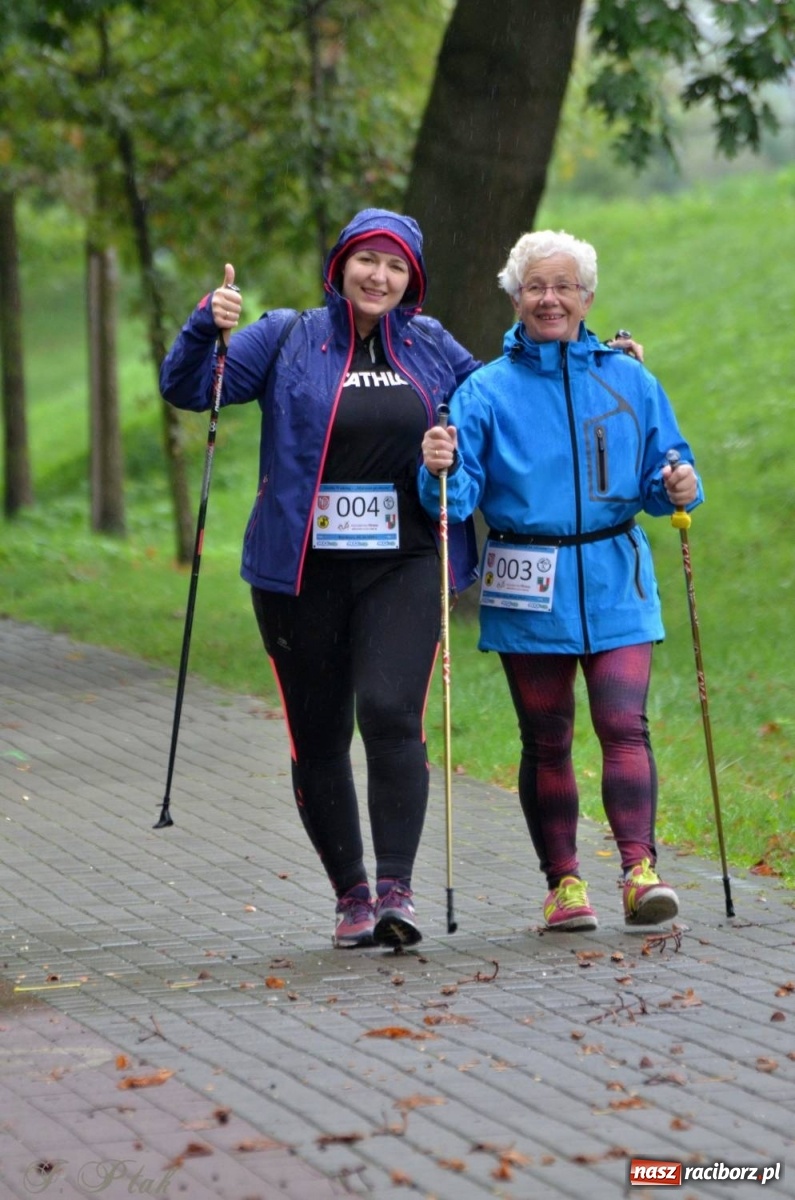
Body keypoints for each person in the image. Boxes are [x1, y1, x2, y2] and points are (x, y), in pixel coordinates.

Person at [160, 208, 483, 950]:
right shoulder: (285, 335)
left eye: (396, 265)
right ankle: (352, 896)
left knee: (390, 710)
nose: (379, 276)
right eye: (367, 260)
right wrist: (206, 325)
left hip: (403, 562)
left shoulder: (432, 347)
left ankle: (398, 890)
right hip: (298, 570)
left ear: (413, 281)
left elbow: (501, 400)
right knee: (320, 732)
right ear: (339, 266)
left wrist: (597, 360)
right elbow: (190, 388)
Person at [418, 228, 702, 932]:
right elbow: (455, 500)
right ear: (515, 297)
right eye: (535, 287)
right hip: (525, 577)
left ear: (586, 298)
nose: (549, 299)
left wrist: (678, 483)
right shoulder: (482, 391)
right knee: (545, 739)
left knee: (621, 723)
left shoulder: (629, 378)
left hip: (613, 574)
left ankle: (640, 872)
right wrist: (438, 470)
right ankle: (564, 885)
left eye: (563, 286)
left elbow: (664, 471)